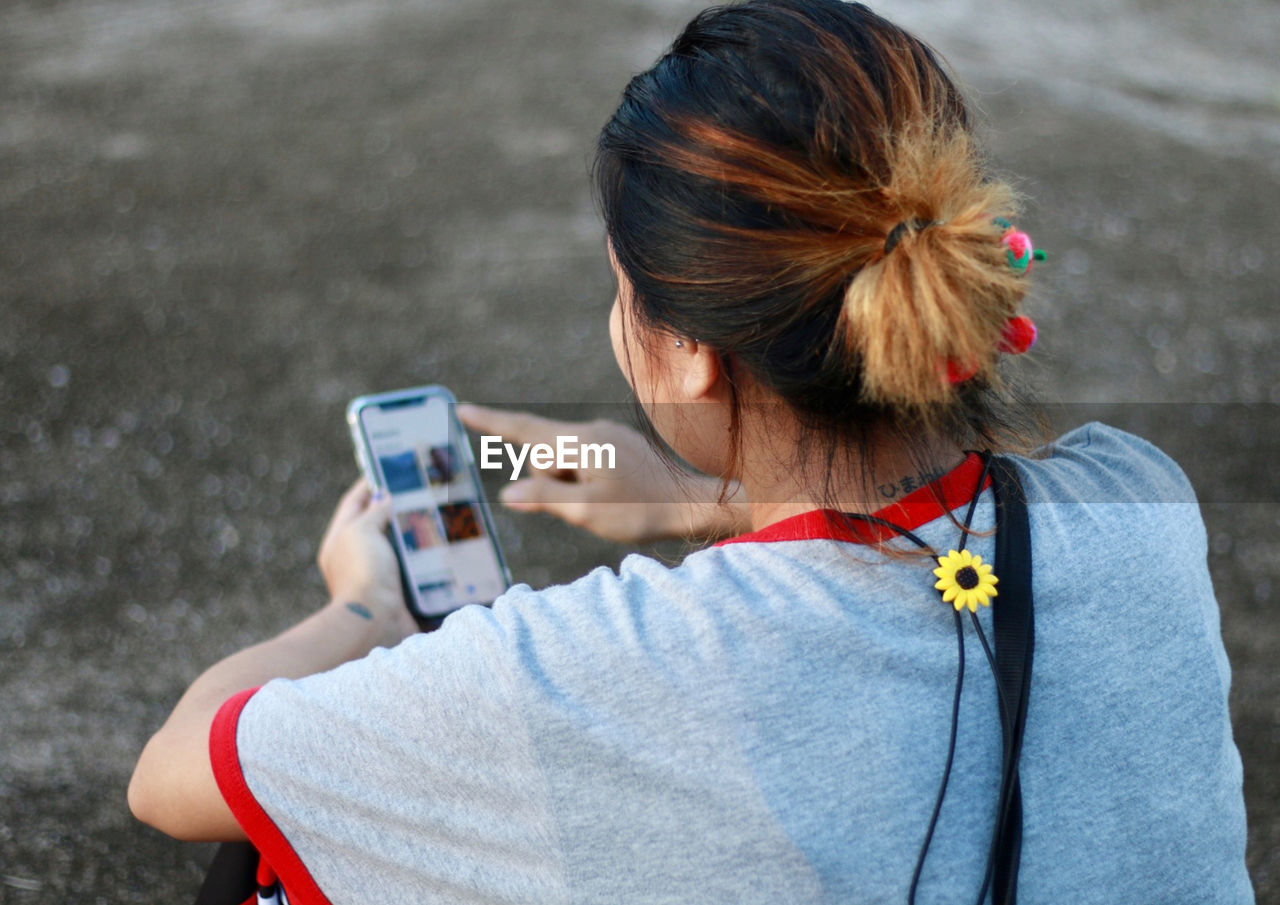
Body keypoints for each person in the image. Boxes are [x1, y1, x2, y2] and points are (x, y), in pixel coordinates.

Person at [128, 1, 1254, 903]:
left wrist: (368, 607)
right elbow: (909, 568)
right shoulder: (1139, 505)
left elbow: (172, 776)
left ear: (691, 359)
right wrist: (697, 494)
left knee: (274, 862)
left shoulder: (573, 673)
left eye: (621, 293)